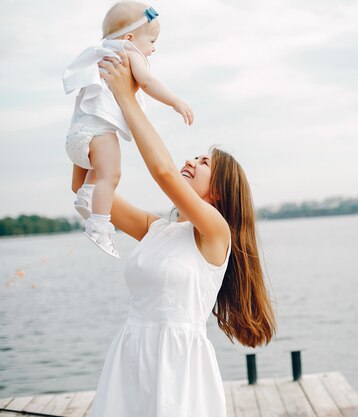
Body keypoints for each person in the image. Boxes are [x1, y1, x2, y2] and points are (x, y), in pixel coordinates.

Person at [73, 51, 276, 416]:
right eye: (194, 156)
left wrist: (126, 95)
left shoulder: (216, 233)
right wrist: (91, 115)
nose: (190, 162)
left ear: (220, 192)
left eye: (203, 164)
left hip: (179, 367)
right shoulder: (156, 230)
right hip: (130, 357)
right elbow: (85, 192)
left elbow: (163, 172)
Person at [64, 1, 193, 258]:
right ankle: (99, 226)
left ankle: (86, 197)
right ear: (131, 37)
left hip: (77, 135)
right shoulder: (129, 52)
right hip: (97, 133)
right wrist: (175, 101)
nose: (154, 48)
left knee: (101, 174)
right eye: (152, 41)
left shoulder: (100, 53)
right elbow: (146, 82)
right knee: (111, 176)